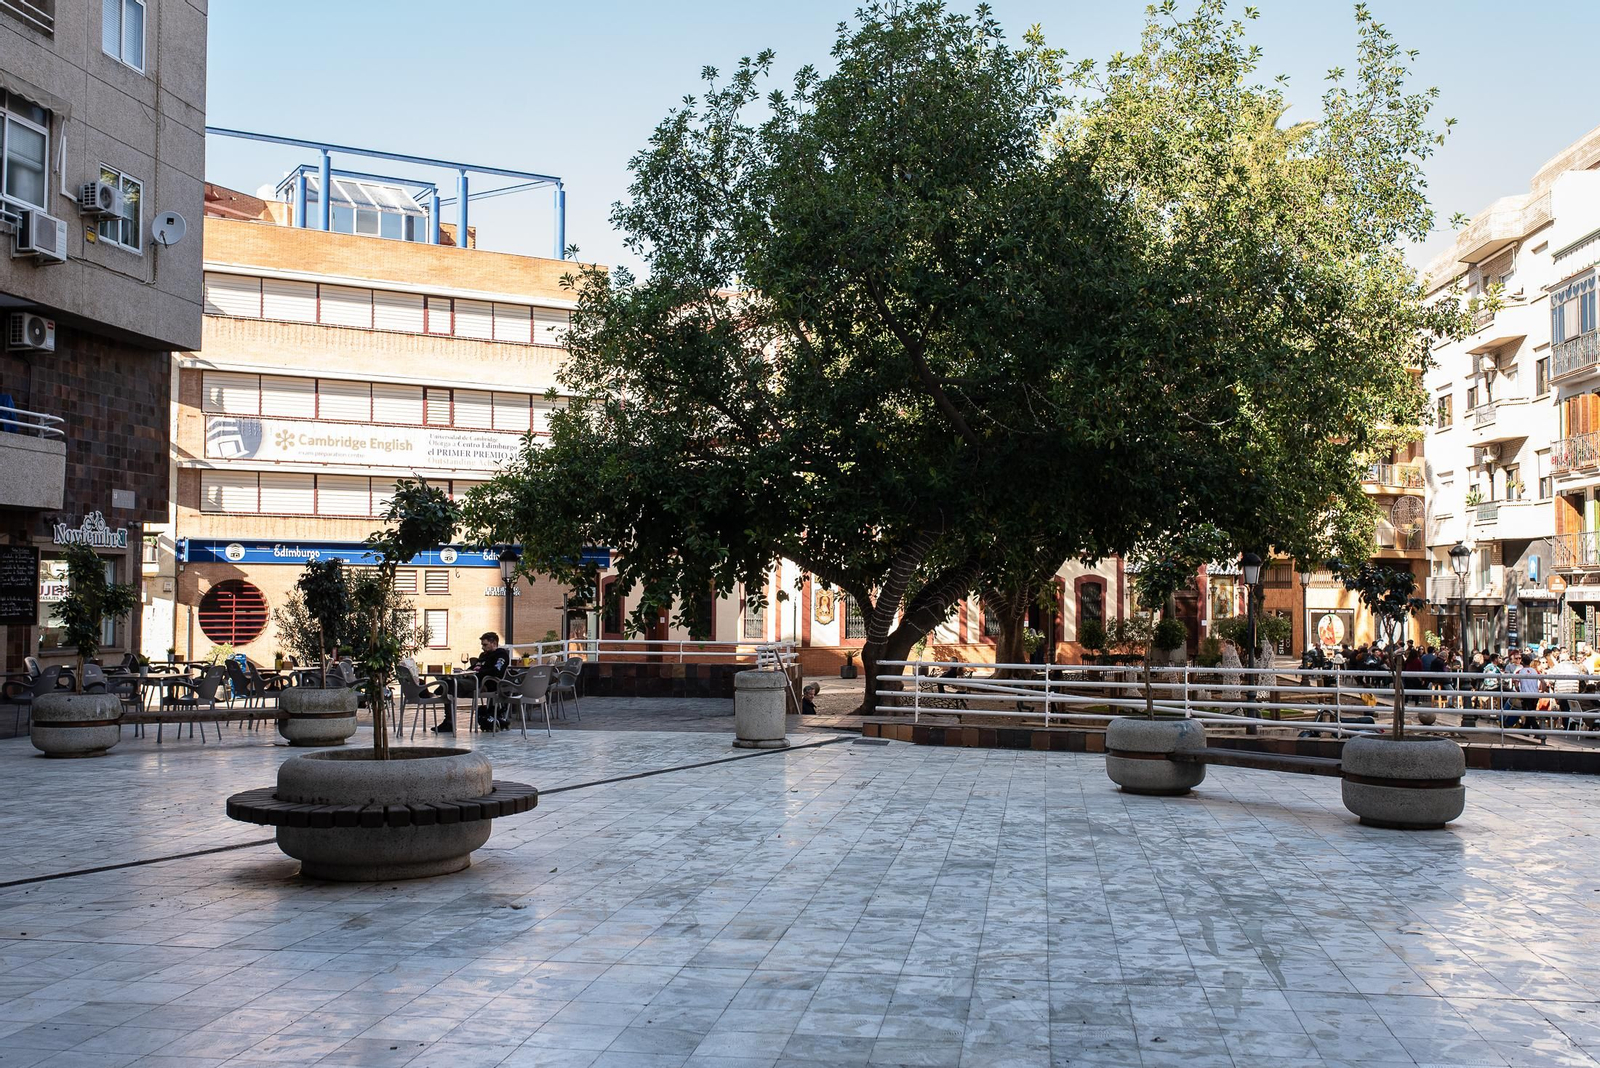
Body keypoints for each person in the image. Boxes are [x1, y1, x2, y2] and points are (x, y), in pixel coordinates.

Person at [433, 632, 514, 733]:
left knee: (450, 685)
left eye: (485, 645)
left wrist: (477, 674)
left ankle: (448, 719)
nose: (482, 648)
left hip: (483, 683)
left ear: (494, 643)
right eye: (482, 645)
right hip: (472, 680)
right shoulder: (483, 655)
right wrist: (465, 672)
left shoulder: (501, 655)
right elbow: (474, 667)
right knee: (449, 682)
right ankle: (448, 721)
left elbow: (497, 671)